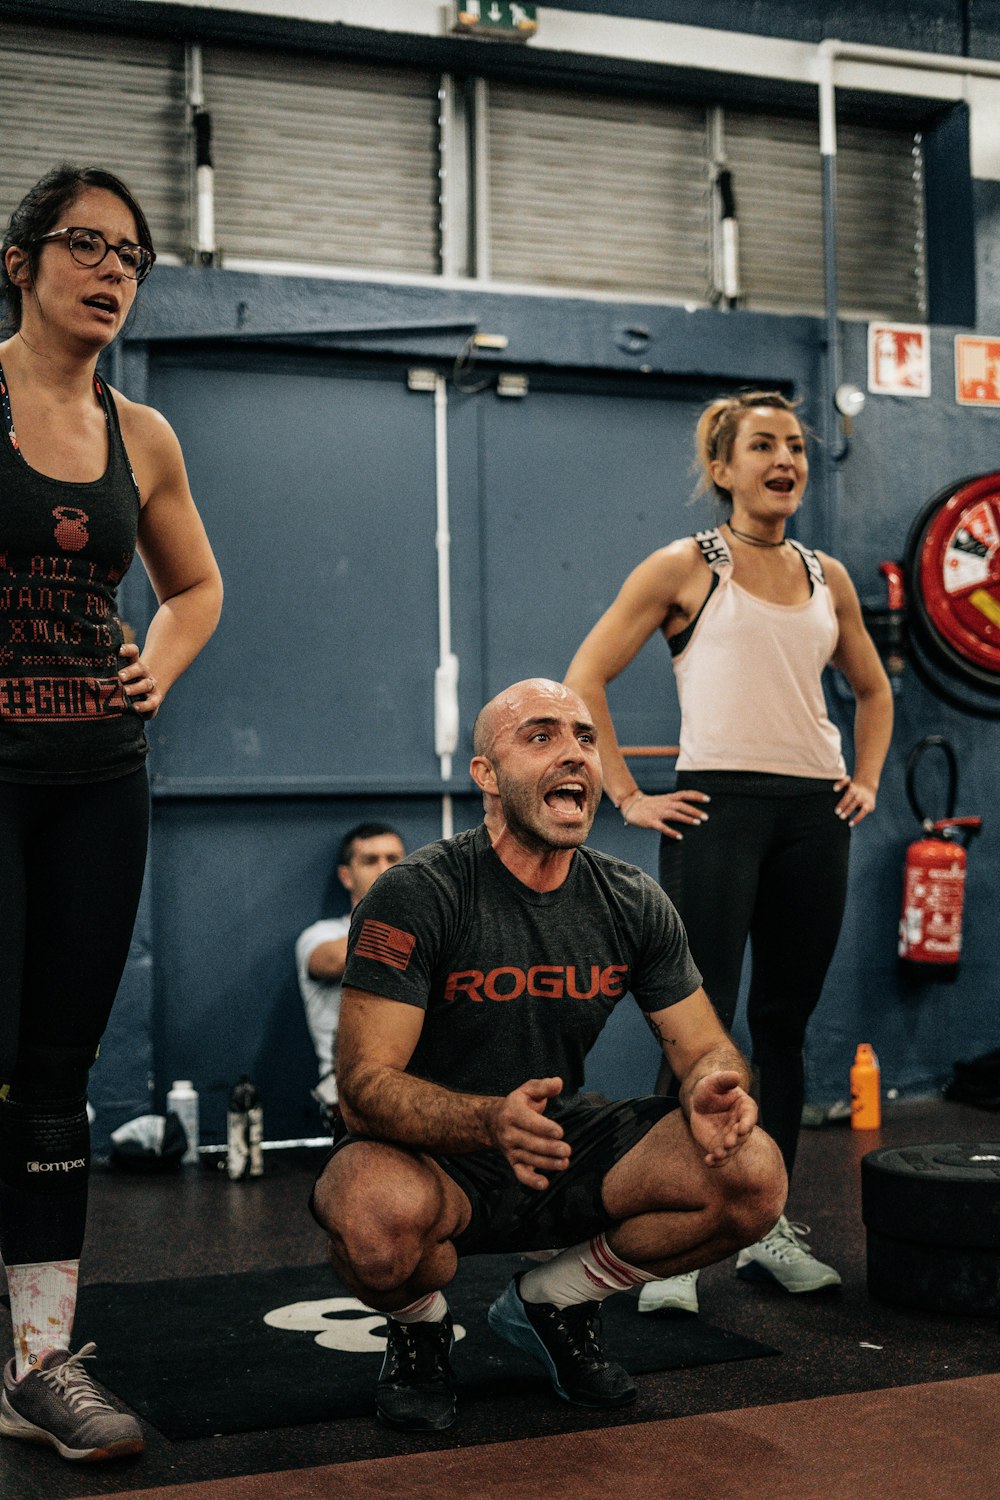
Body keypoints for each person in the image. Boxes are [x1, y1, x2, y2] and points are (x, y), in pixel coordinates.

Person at [310, 678, 786, 1432]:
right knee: (371, 1219)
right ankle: (420, 1328)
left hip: (557, 1139)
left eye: (585, 737)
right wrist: (488, 1120)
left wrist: (714, 1084)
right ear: (487, 777)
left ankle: (552, 1302)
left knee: (752, 1173)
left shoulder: (630, 899)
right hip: (432, 1154)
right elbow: (363, 1088)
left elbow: (704, 1048)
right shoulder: (417, 894)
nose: (574, 754)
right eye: (541, 737)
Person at [565, 390, 893, 1315]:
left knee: (783, 1029)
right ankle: (669, 1242)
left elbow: (871, 691)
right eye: (761, 446)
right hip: (717, 812)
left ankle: (766, 1226)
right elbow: (585, 678)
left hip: (811, 815)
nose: (783, 459)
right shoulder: (685, 566)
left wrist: (863, 778)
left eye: (794, 445)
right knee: (694, 1034)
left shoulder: (827, 575)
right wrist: (626, 797)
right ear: (723, 469)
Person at [0, 165, 223, 1461]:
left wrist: (162, 661)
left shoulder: (146, 435)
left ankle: (37, 1365)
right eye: (84, 244)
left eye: (130, 254)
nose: (110, 270)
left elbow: (193, 588)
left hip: (95, 779)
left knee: (54, 1076)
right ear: (22, 259)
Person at [296, 822, 405, 1123]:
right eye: (370, 860)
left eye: (393, 859)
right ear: (346, 875)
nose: (384, 868)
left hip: (419, 1084)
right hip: (351, 1097)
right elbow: (331, 960)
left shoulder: (428, 932)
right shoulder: (320, 936)